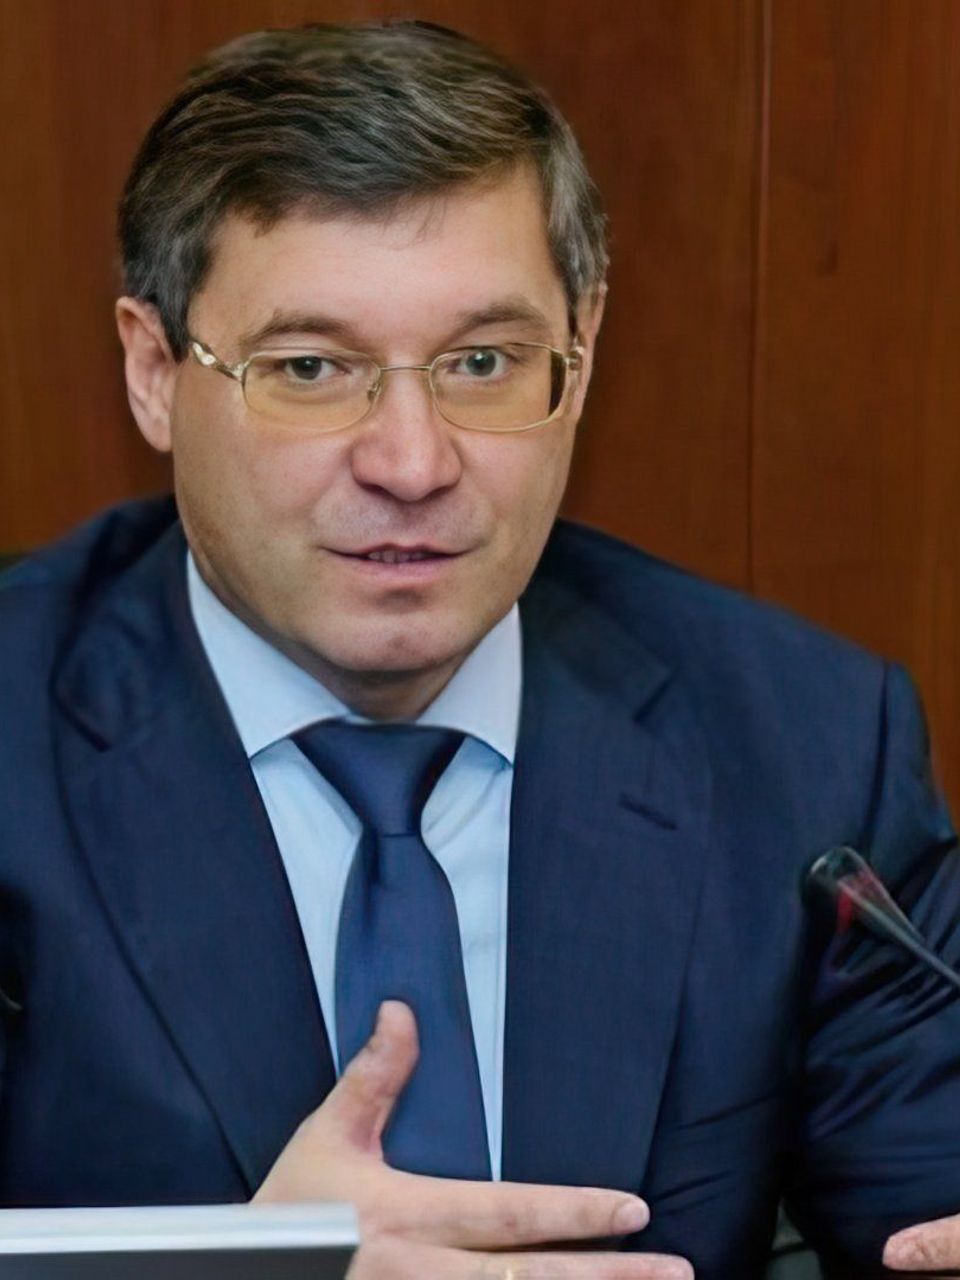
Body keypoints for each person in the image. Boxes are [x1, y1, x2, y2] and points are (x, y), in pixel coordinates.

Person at [1, 20, 960, 1280]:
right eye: (309, 367)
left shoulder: (806, 745)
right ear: (152, 370)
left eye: (484, 362)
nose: (413, 462)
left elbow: (927, 1210)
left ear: (581, 357)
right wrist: (239, 1270)